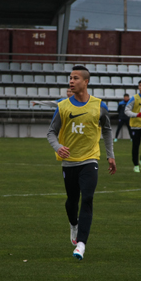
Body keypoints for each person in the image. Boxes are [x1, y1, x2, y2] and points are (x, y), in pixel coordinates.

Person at [47, 65, 116, 261]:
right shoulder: (62, 106)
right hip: (69, 162)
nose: (71, 81)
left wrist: (110, 155)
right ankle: (73, 225)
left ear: (86, 82)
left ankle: (81, 244)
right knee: (72, 201)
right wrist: (58, 147)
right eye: (70, 77)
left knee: (87, 199)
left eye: (75, 78)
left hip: (90, 159)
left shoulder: (99, 106)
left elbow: (108, 130)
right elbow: (51, 132)